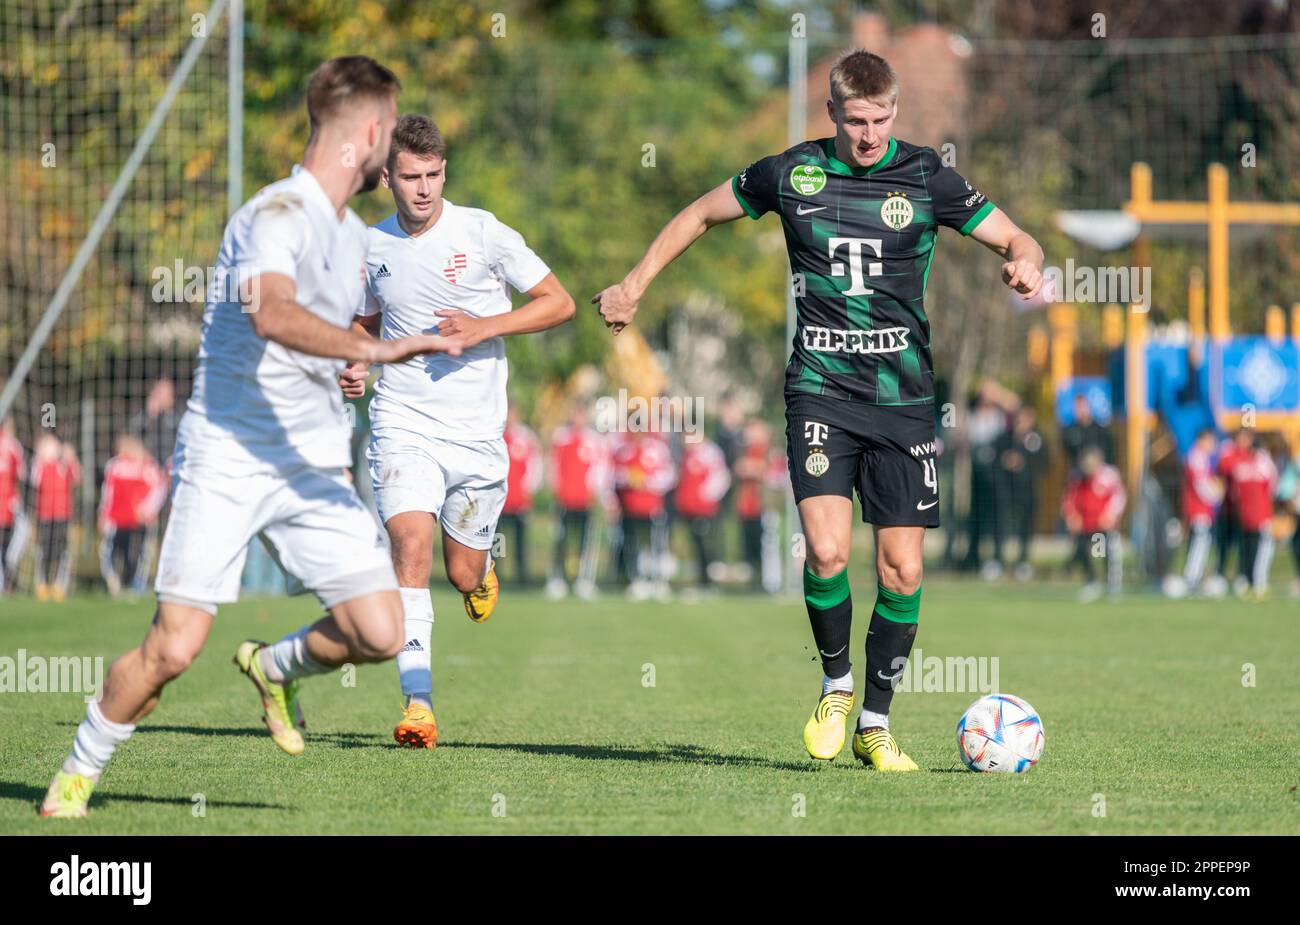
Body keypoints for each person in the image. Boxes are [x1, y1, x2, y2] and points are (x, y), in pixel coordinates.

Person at [593, 49, 1044, 770]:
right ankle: (837, 684)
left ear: (896, 112)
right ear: (832, 112)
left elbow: (1017, 234)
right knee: (828, 549)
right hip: (821, 391)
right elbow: (702, 213)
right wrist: (635, 282)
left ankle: (873, 722)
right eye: (857, 120)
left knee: (899, 570)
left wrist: (1027, 260)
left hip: (904, 400)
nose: (869, 134)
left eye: (881, 119)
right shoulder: (792, 173)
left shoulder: (927, 175)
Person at [41, 56, 462, 818]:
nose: (391, 146)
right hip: (229, 454)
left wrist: (352, 365)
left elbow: (326, 333)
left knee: (382, 629)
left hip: (309, 464)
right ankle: (78, 770)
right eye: (388, 129)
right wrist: (371, 350)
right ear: (368, 133)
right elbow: (271, 312)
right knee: (173, 649)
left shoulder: (350, 237)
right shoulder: (274, 215)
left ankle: (275, 666)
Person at [337, 114, 575, 749]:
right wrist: (356, 362)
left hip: (475, 434)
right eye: (411, 177)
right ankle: (418, 702)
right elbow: (362, 325)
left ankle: (479, 569)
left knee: (463, 575)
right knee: (408, 548)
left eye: (434, 176)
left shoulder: (483, 231)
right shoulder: (369, 246)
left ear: (446, 172)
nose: (424, 189)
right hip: (401, 423)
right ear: (386, 177)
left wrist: (484, 326)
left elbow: (559, 302)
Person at [547, 402, 609, 600]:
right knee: (560, 540)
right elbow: (553, 465)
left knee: (586, 542)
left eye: (581, 414)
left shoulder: (594, 441)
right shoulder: (561, 438)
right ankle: (557, 579)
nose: (578, 418)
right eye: (575, 413)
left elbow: (600, 469)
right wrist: (556, 489)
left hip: (585, 500)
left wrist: (597, 493)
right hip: (564, 499)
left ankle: (585, 580)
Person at [97, 434, 167, 596]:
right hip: (116, 519)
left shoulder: (148, 465)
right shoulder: (114, 466)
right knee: (110, 551)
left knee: (138, 553)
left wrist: (147, 509)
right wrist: (104, 514)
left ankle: (136, 584)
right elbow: (108, 493)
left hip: (139, 520)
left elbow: (159, 490)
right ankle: (113, 581)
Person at [611, 425, 675, 600]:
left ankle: (659, 582)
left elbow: (668, 475)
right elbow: (614, 474)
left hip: (652, 505)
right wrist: (629, 478)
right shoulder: (623, 449)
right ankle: (637, 580)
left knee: (656, 543)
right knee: (632, 543)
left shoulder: (658, 449)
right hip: (630, 505)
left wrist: (648, 480)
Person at [1062, 447, 1126, 602]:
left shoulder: (1109, 476)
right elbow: (1070, 498)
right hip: (1086, 525)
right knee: (1085, 553)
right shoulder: (1078, 477)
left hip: (1102, 525)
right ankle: (1093, 582)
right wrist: (1072, 516)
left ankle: (1112, 586)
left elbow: (1119, 497)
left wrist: (1110, 516)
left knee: (1104, 554)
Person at [673, 433, 731, 592]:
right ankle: (702, 581)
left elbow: (721, 478)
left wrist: (705, 497)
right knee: (695, 545)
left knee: (704, 545)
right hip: (689, 508)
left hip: (703, 509)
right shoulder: (686, 454)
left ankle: (707, 583)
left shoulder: (709, 453)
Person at [1225, 431, 1277, 599]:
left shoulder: (1241, 467)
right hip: (1261, 516)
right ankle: (1258, 584)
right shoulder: (1263, 466)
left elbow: (1234, 493)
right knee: (1260, 550)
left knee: (1247, 550)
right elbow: (1272, 488)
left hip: (1245, 515)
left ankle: (1247, 581)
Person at [996, 404, 1045, 580]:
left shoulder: (1036, 440)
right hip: (1007, 490)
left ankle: (1023, 562)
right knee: (1001, 525)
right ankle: (998, 561)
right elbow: (995, 459)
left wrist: (1023, 463)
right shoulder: (1005, 438)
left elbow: (1044, 464)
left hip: (1027, 490)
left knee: (1025, 526)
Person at [31, 433, 80, 602]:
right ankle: (42, 585)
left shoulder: (65, 465)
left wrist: (71, 458)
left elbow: (77, 478)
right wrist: (40, 458)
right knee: (44, 550)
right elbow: (34, 480)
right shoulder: (41, 464)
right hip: (44, 514)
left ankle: (59, 585)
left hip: (63, 514)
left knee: (61, 551)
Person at [500, 407, 542, 585]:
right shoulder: (496, 434)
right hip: (499, 500)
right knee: (497, 541)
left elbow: (535, 466)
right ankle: (496, 577)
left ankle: (521, 578)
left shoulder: (526, 437)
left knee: (520, 540)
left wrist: (529, 490)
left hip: (519, 500)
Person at [1179, 428, 1222, 593]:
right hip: (1198, 508)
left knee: (1202, 542)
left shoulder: (1200, 457)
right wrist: (1216, 494)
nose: (1213, 445)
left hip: (1202, 508)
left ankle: (1194, 576)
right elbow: (1201, 485)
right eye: (1210, 441)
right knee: (1199, 542)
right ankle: (1192, 577)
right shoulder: (1197, 457)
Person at [0, 416, 25, 594]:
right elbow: (22, 473)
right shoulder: (13, 445)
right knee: (22, 530)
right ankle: (9, 565)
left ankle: (6, 581)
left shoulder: (12, 445)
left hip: (6, 504)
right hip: (8, 502)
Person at [1061, 391, 1113, 471]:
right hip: (1078, 475)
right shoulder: (1069, 432)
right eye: (1077, 407)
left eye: (1082, 406)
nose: (1080, 410)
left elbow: (1108, 455)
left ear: (1088, 407)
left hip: (1098, 474)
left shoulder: (1100, 431)